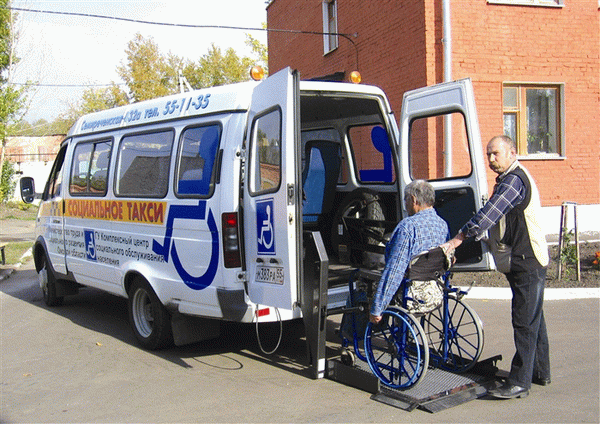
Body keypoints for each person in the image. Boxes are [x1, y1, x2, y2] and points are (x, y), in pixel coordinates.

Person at [442, 135, 550, 400]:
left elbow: (490, 213)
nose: (491, 159)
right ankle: (539, 372)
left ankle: (519, 382)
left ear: (512, 153)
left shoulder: (514, 181)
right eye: (489, 154)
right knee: (534, 316)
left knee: (524, 320)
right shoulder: (510, 178)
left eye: (496, 154)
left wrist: (458, 239)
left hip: (528, 260)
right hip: (525, 259)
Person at [370, 180, 449, 324]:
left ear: (413, 199)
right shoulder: (442, 224)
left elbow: (394, 271)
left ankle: (350, 334)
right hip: (434, 290)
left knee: (361, 284)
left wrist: (377, 308)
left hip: (410, 292)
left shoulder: (408, 227)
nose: (405, 205)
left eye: (405, 199)